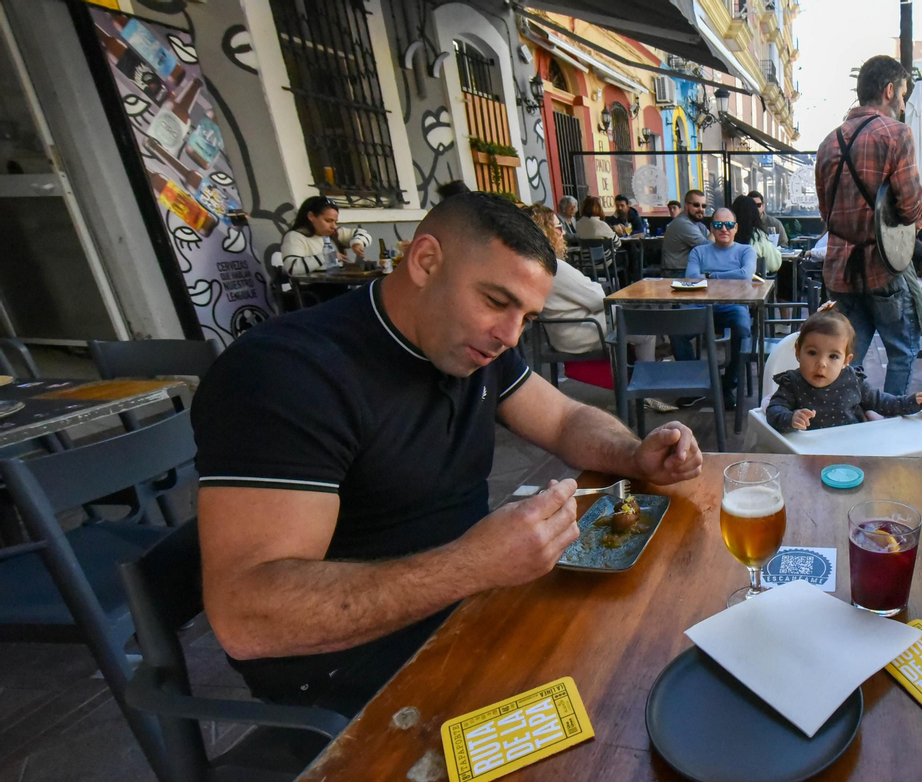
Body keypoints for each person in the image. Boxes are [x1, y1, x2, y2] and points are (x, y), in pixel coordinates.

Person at [193, 193, 703, 716]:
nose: (509, 336)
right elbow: (247, 617)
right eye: (496, 301)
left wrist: (635, 454)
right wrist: (472, 565)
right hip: (347, 662)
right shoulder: (286, 374)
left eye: (526, 317)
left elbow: (563, 418)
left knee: (654, 639)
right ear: (426, 260)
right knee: (614, 709)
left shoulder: (471, 345)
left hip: (471, 601)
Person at [815, 55, 922, 396]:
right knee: (902, 351)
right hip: (883, 269)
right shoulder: (897, 134)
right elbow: (909, 209)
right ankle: (891, 432)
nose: (905, 105)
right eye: (904, 95)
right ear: (889, 90)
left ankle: (842, 421)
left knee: (845, 357)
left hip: (840, 271)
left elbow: (826, 214)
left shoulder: (828, 142)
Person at [524, 205, 668, 410]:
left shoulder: (531, 264)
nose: (563, 232)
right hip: (579, 330)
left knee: (631, 318)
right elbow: (598, 297)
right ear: (545, 232)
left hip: (561, 330)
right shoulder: (553, 267)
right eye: (558, 228)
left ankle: (641, 371)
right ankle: (645, 389)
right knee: (643, 325)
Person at [765, 309, 922, 433]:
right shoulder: (793, 383)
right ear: (798, 352)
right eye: (812, 353)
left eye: (833, 356)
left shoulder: (853, 380)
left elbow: (882, 402)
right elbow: (773, 411)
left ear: (846, 361)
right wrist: (791, 418)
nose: (821, 364)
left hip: (853, 449)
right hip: (810, 454)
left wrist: (911, 403)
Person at [678, 207, 755, 406]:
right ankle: (693, 384)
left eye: (729, 225)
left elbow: (746, 274)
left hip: (733, 305)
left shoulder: (746, 250)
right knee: (676, 328)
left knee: (742, 329)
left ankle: (728, 385)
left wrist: (711, 275)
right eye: (719, 225)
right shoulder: (699, 251)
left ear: (736, 228)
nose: (724, 229)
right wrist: (731, 273)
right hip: (700, 304)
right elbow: (693, 277)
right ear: (711, 227)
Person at [280, 196, 372, 275]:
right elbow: (292, 267)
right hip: (315, 292)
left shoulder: (333, 233)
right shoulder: (295, 237)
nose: (333, 226)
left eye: (335, 222)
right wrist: (328, 256)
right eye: (328, 221)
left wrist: (356, 243)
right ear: (311, 216)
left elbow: (362, 233)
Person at [732, 194, 782, 275]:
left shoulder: (726, 235)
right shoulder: (758, 236)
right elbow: (774, 264)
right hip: (754, 285)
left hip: (726, 283)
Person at [663, 189, 709, 272]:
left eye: (704, 206)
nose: (701, 209)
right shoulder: (683, 224)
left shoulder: (699, 225)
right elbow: (707, 248)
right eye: (696, 205)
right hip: (677, 273)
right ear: (686, 206)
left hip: (689, 270)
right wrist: (716, 229)